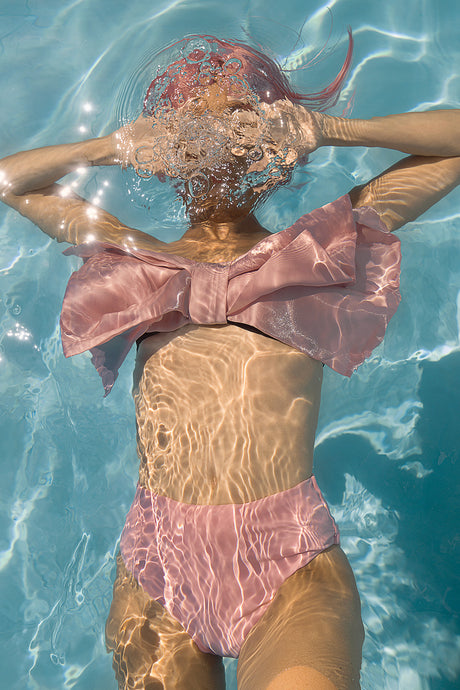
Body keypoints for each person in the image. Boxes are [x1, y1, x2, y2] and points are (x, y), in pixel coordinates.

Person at [1, 33, 459, 690]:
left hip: (290, 564)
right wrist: (114, 148)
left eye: (239, 120)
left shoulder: (322, 248)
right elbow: (8, 180)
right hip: (158, 568)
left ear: (275, 151)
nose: (214, 137)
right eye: (186, 124)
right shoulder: (134, 261)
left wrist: (327, 129)